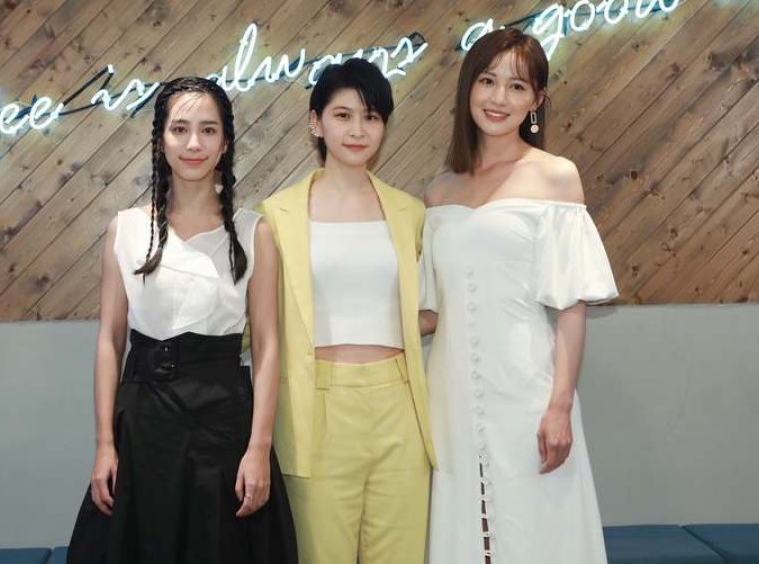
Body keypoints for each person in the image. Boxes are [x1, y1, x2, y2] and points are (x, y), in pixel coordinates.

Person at [66, 77, 297, 564]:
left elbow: (267, 345)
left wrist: (259, 447)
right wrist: (104, 444)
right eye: (180, 129)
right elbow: (110, 340)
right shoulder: (126, 230)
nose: (194, 143)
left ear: (225, 143)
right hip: (144, 423)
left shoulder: (253, 232)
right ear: (160, 140)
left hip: (224, 425)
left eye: (208, 130)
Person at [420, 28, 618, 563]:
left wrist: (560, 405)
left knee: (538, 535)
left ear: (536, 100)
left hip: (529, 393)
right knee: (468, 534)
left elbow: (571, 307)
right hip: (451, 396)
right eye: (487, 81)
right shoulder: (439, 190)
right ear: (468, 87)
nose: (498, 98)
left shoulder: (555, 178)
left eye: (516, 86)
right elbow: (430, 311)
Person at [257, 58, 436, 564]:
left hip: (399, 402)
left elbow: (431, 308)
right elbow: (260, 326)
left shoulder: (411, 212)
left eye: (371, 117)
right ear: (316, 123)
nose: (358, 130)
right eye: (343, 115)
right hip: (315, 405)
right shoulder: (276, 215)